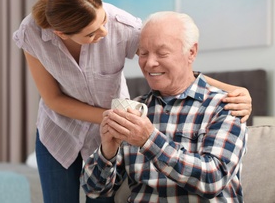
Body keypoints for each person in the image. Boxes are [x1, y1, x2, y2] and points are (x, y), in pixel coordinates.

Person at [13, 0, 251, 203]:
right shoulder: (32, 34)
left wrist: (234, 90)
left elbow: (172, 62)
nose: (105, 33)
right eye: (92, 34)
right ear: (61, 34)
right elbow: (53, 99)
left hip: (113, 125)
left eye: (103, 20)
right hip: (61, 128)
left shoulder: (121, 26)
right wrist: (116, 123)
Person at [81, 11, 248, 202]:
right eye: (143, 53)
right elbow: (94, 190)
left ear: (191, 52)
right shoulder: (134, 109)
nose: (150, 63)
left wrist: (149, 140)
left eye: (162, 53)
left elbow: (213, 180)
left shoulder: (226, 106)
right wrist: (107, 152)